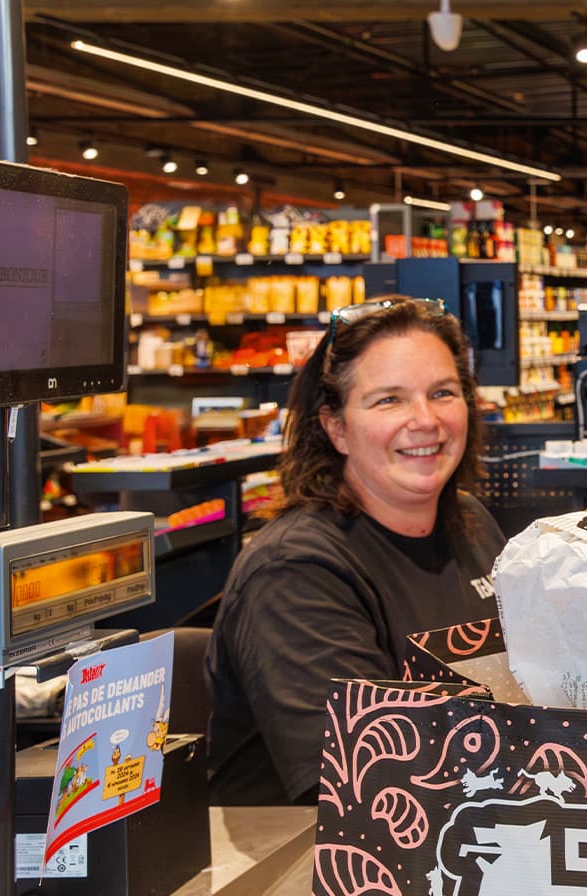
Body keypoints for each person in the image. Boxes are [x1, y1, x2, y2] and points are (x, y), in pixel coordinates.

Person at [206, 298, 505, 805]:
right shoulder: (295, 572)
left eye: (443, 393)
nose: (425, 420)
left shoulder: (471, 523)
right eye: (389, 400)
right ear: (336, 427)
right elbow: (366, 788)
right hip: (320, 863)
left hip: (472, 817)